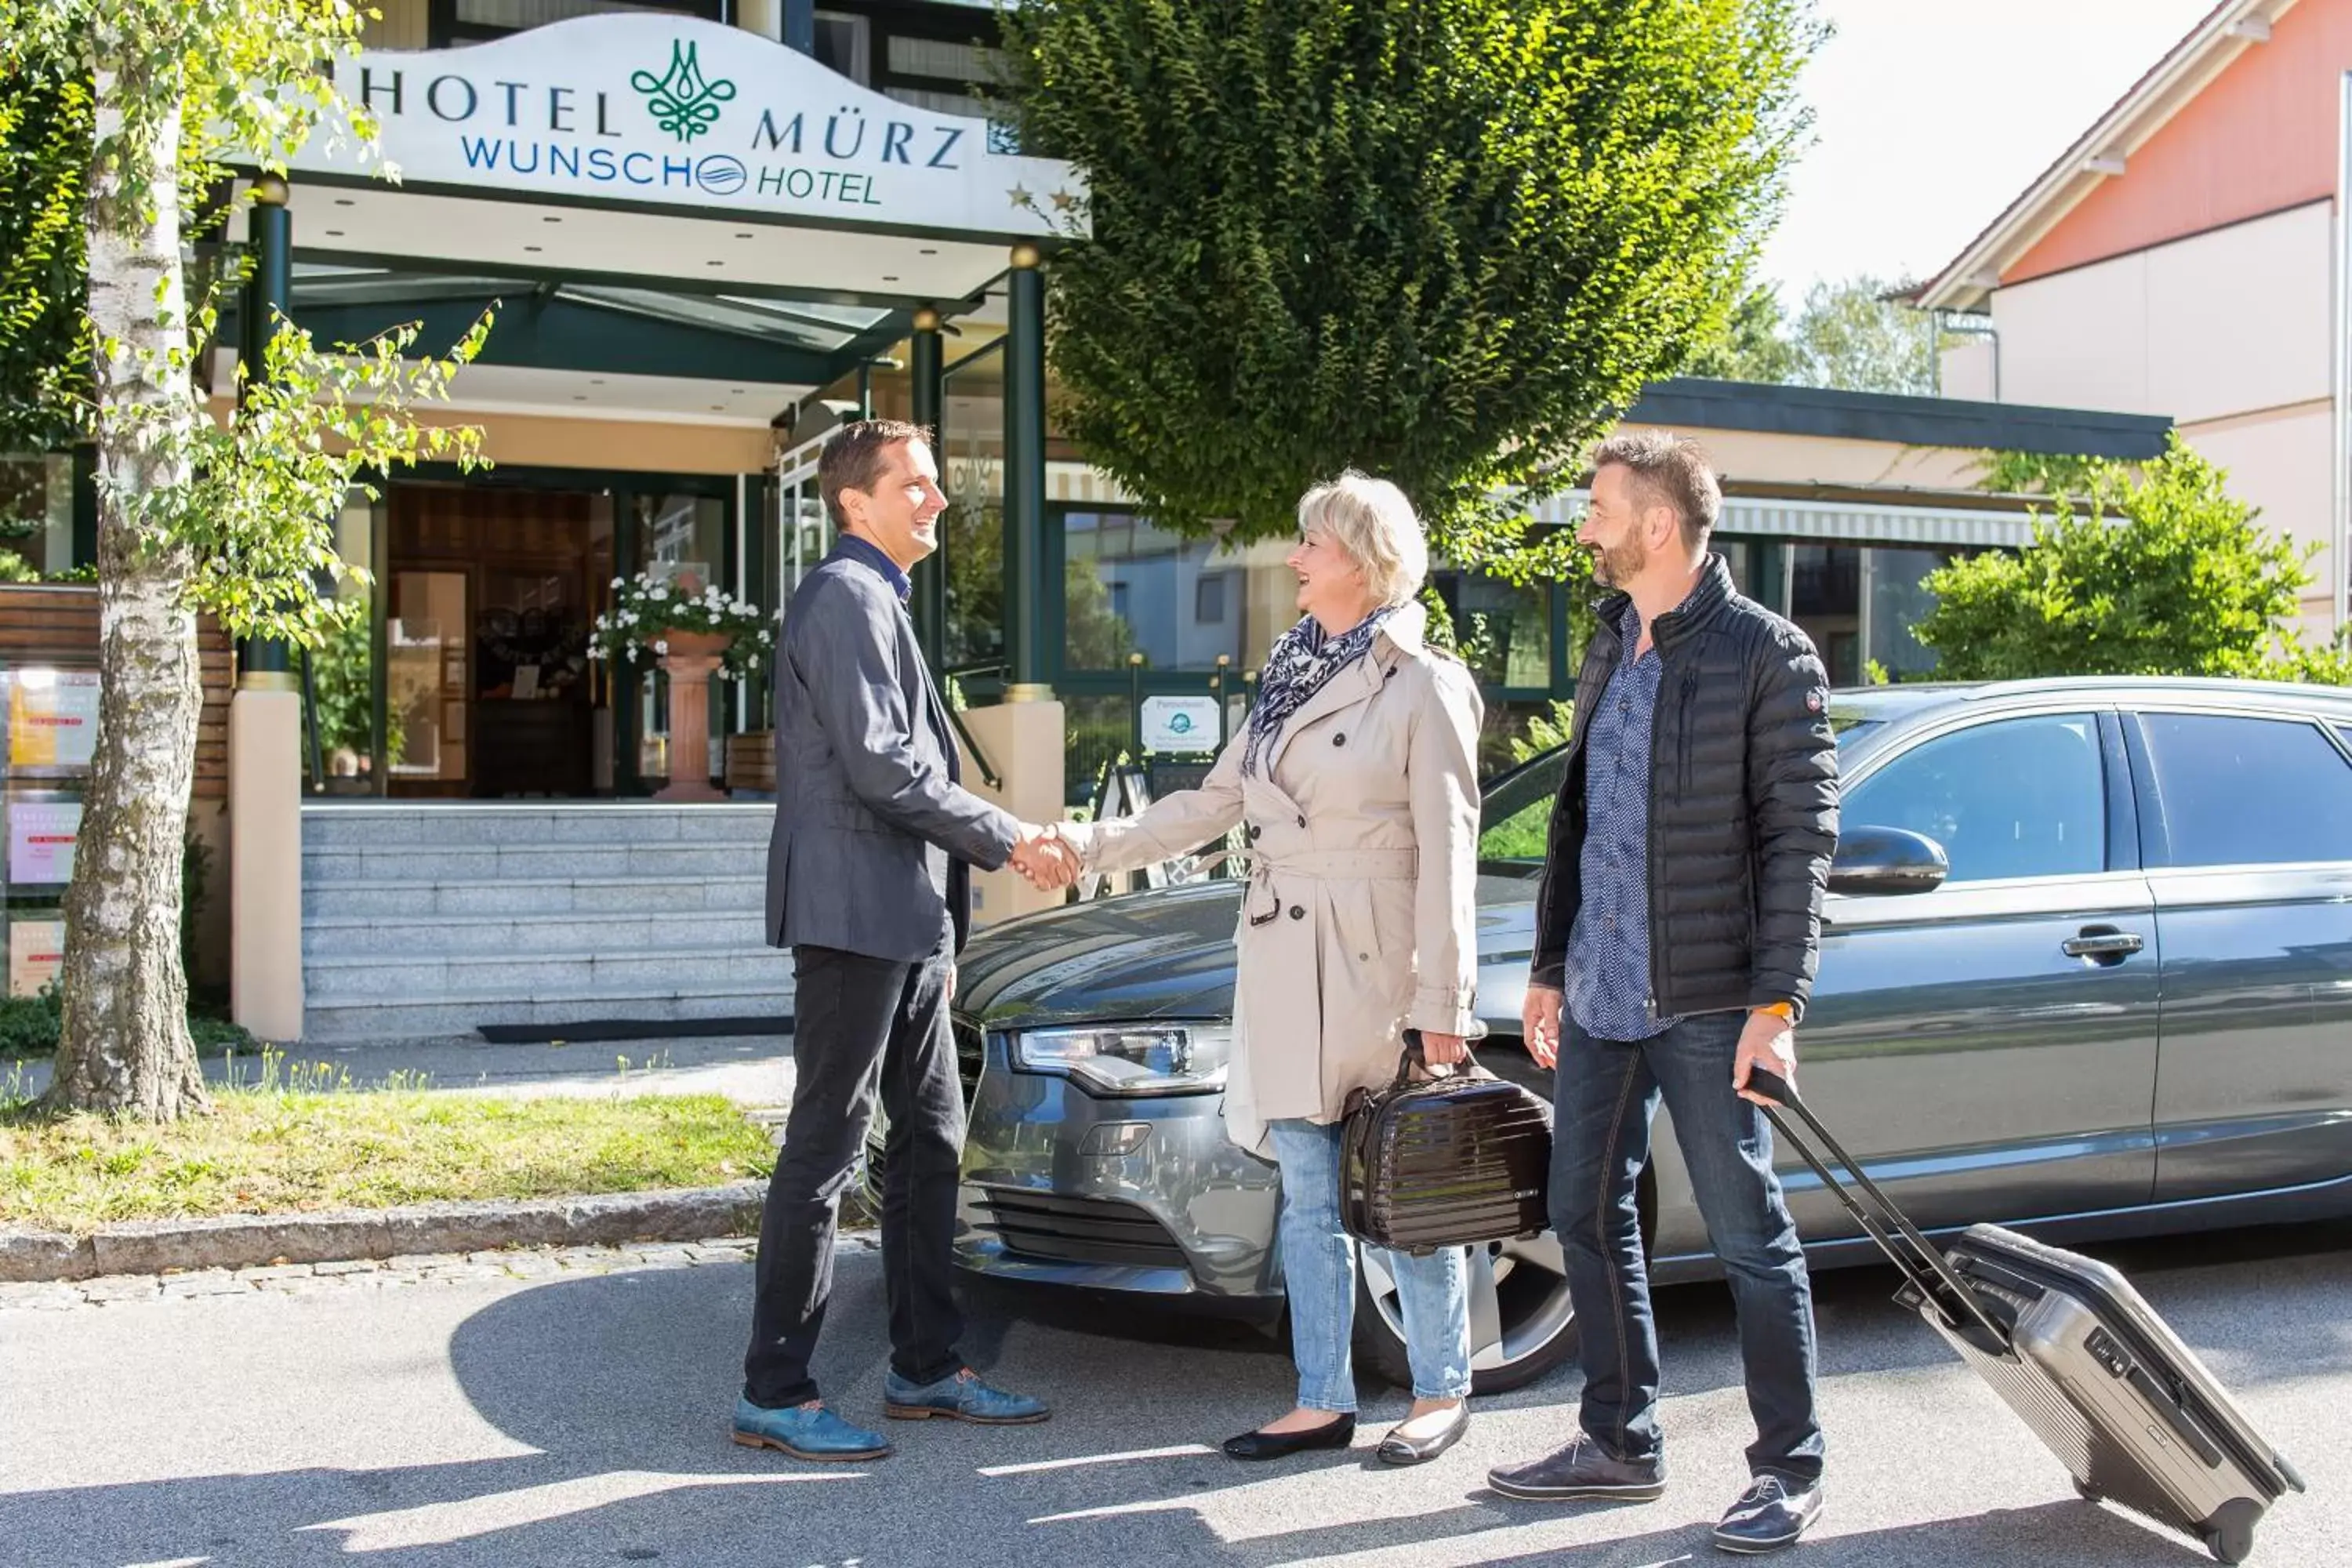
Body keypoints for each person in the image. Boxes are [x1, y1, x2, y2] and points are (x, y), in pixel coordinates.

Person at [1044, 472, 1486, 1466]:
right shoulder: (1289, 674)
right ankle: (1321, 1395)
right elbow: (1209, 803)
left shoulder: (1425, 680)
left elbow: (1452, 851)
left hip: (1379, 961)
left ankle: (1440, 1386)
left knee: (1402, 1188)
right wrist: (1086, 845)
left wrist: (1444, 1002)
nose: (1292, 559)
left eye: (1312, 546)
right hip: (1288, 952)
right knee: (1313, 1194)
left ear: (1364, 562)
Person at [1484, 431, 1841, 1554]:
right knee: (1583, 1215)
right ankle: (1619, 1441)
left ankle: (1790, 1467)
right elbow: (1577, 825)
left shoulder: (1766, 655)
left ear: (1657, 524)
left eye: (1599, 507)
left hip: (1711, 995)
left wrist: (1775, 1008)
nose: (1584, 525)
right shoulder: (1609, 644)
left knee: (1748, 1236)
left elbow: (1801, 846)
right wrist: (1549, 967)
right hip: (1600, 995)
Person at [734, 419, 1075, 1462]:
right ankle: (776, 1392)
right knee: (825, 1150)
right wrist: (1009, 836)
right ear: (856, 501)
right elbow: (884, 767)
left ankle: (927, 1368)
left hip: (911, 921)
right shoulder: (844, 596)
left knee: (929, 1143)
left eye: (934, 485)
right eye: (916, 485)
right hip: (852, 916)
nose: (936, 501)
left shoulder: (880, 595)